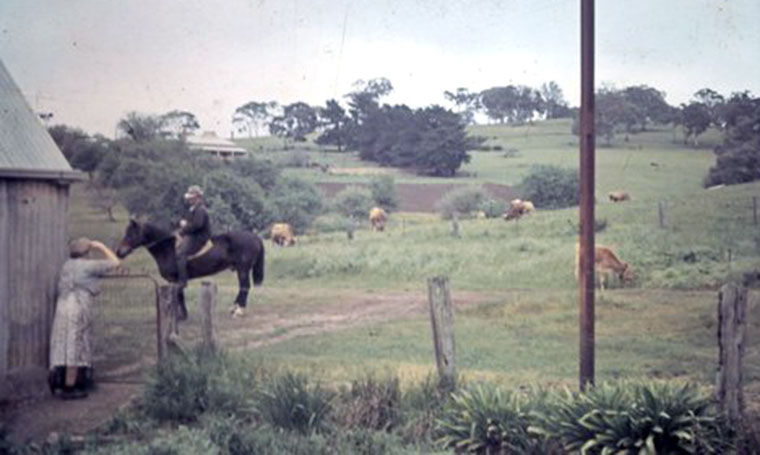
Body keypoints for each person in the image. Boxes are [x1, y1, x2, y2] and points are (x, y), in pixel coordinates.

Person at [48, 238, 120, 399]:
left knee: (62, 341)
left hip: (63, 304)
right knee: (76, 343)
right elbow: (115, 263)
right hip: (78, 305)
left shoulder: (66, 265)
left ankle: (59, 378)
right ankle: (70, 387)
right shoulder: (88, 266)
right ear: (87, 253)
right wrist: (101, 246)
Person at [176, 185, 211, 288]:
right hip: (193, 235)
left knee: (180, 254)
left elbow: (197, 225)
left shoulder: (200, 209)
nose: (189, 199)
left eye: (191, 197)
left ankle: (182, 281)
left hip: (199, 237)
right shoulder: (193, 208)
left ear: (197, 197)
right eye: (189, 197)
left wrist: (184, 226)